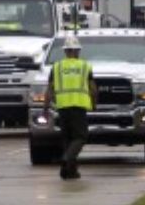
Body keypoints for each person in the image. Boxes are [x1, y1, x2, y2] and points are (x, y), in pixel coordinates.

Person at [43, 34, 98, 180]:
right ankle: (67, 158)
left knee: (67, 139)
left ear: (65, 51)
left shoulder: (57, 67)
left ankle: (68, 172)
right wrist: (94, 104)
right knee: (80, 137)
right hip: (78, 106)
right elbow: (93, 88)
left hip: (62, 107)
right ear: (77, 51)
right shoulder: (84, 66)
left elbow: (49, 89)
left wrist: (45, 107)